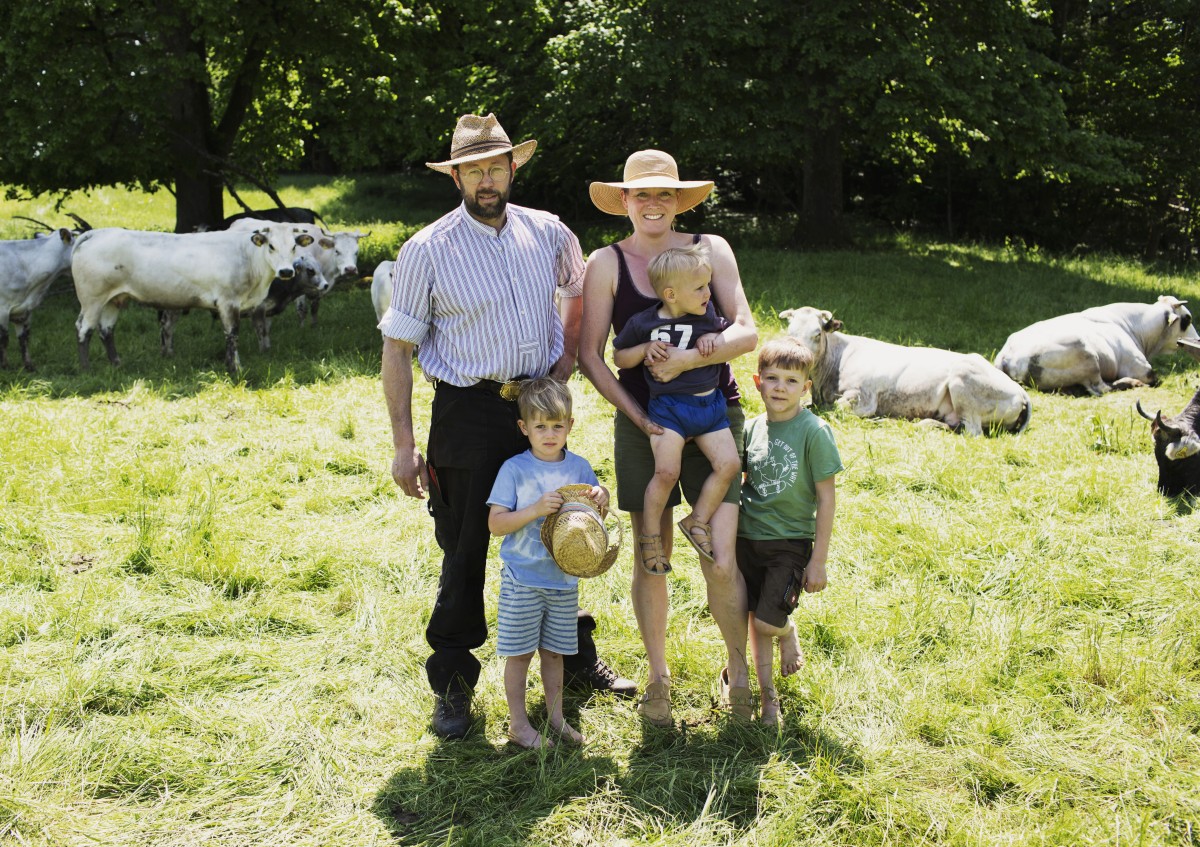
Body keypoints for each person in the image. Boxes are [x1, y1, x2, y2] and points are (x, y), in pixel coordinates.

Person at [379, 113, 635, 741]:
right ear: (457, 176)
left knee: (562, 530)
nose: (486, 179)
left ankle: (573, 662)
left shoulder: (548, 232)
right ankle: (454, 686)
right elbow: (396, 353)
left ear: (513, 167)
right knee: (464, 548)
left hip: (539, 406)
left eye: (496, 166)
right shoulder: (427, 250)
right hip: (466, 412)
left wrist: (566, 362)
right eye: (473, 169)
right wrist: (405, 448)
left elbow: (576, 297)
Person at [578, 149, 758, 726]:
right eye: (641, 194)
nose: (653, 204)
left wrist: (686, 360)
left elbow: (747, 332)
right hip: (646, 422)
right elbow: (593, 356)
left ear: (679, 200)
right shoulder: (606, 263)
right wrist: (638, 417)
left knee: (722, 556)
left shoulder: (712, 249)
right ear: (625, 201)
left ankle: (738, 674)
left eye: (664, 194)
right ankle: (659, 680)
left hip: (711, 414)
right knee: (650, 557)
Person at [487, 378, 607, 748]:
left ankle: (556, 718)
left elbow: (593, 516)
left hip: (563, 580)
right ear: (524, 428)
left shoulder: (580, 467)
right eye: (540, 426)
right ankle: (519, 725)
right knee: (520, 653)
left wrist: (601, 495)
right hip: (523, 578)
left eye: (558, 426)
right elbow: (495, 524)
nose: (550, 434)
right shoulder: (514, 469)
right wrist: (535, 510)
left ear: (570, 425)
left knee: (555, 652)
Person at [611, 241, 742, 576]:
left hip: (710, 408)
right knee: (666, 473)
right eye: (699, 288)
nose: (707, 294)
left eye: (707, 286)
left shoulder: (708, 317)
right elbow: (619, 358)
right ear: (670, 294)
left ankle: (697, 521)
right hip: (668, 412)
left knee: (729, 464)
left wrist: (711, 343)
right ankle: (651, 536)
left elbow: (731, 338)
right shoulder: (645, 323)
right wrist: (644, 349)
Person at [738, 337, 842, 725]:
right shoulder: (750, 429)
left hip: (790, 544)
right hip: (746, 540)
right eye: (772, 378)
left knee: (769, 621)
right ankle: (767, 700)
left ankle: (788, 629)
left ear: (807, 388)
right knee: (754, 621)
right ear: (757, 382)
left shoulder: (814, 431)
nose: (780, 387)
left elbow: (827, 499)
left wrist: (819, 561)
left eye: (791, 381)